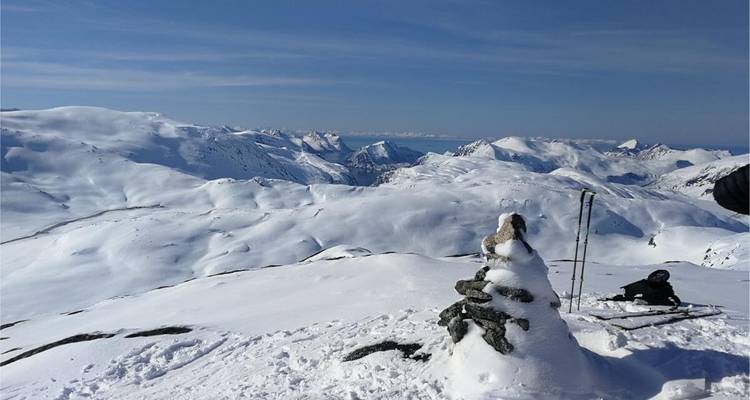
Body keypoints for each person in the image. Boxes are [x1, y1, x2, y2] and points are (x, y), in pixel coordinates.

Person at [607, 270, 681, 307]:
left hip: (652, 299)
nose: (657, 278)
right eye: (656, 277)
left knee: (665, 301)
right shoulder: (643, 284)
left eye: (659, 277)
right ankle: (645, 302)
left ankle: (646, 302)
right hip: (642, 297)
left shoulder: (665, 287)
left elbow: (674, 299)